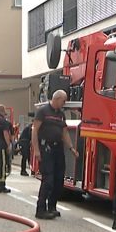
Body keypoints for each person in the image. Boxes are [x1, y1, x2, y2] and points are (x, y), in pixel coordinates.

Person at [32, 90, 78, 219]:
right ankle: (41, 209)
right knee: (48, 179)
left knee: (59, 180)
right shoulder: (43, 111)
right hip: (46, 147)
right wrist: (36, 150)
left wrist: (71, 148)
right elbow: (35, 130)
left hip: (58, 149)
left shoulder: (61, 114)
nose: (64, 104)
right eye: (63, 101)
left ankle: (52, 206)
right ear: (57, 99)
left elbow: (64, 133)